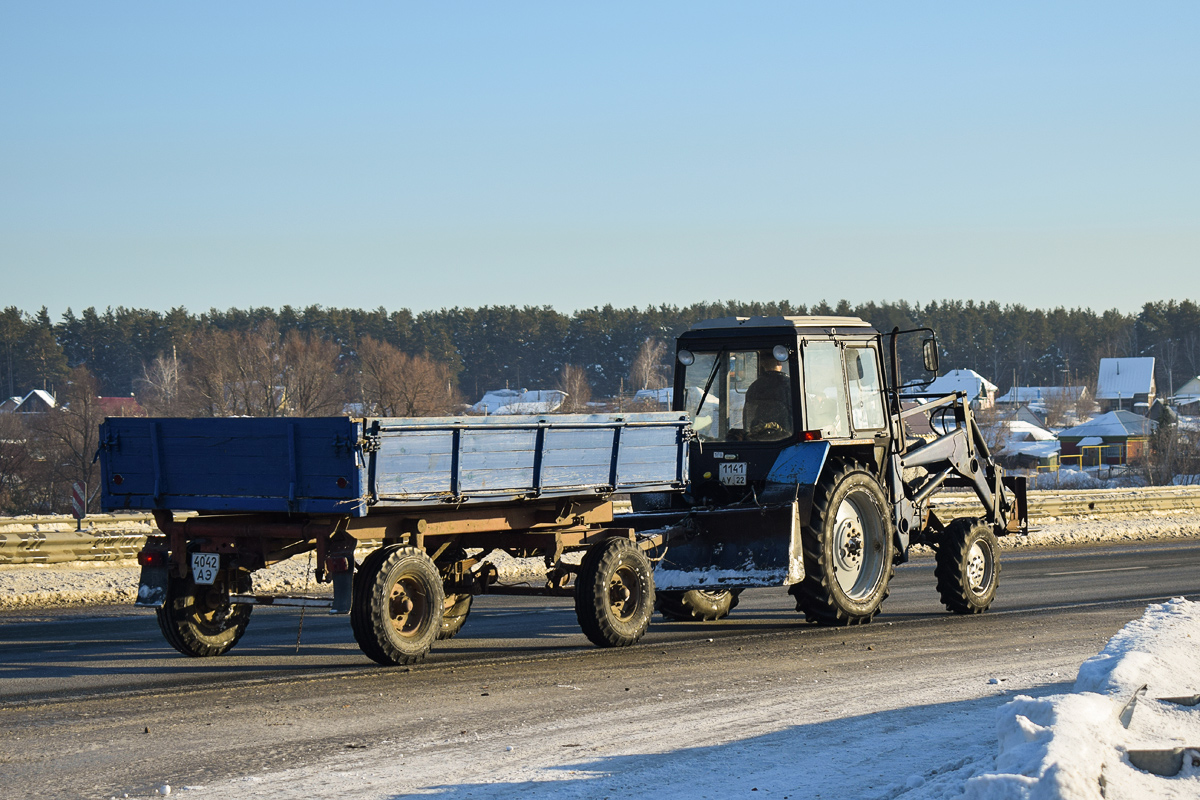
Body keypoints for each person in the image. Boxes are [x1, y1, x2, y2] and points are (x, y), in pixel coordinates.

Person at [743, 352, 792, 439]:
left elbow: (748, 415)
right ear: (779, 362)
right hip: (787, 435)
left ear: (762, 364)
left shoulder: (754, 387)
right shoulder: (789, 385)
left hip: (759, 435)